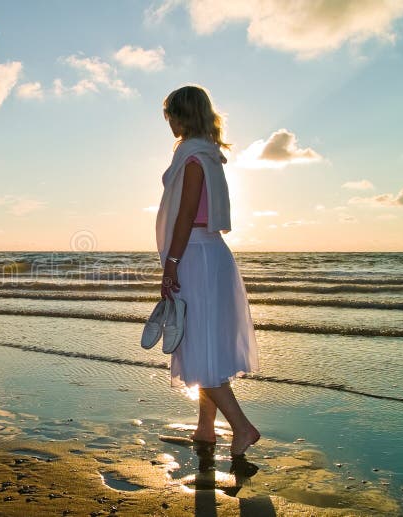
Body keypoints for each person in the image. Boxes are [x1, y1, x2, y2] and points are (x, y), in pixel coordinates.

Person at [155, 85, 260, 457]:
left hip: (196, 253)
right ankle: (205, 429)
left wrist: (171, 264)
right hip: (211, 253)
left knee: (198, 343)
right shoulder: (209, 155)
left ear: (183, 115)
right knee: (206, 345)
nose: (168, 122)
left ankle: (242, 427)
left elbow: (185, 216)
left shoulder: (194, 158)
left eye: (171, 115)